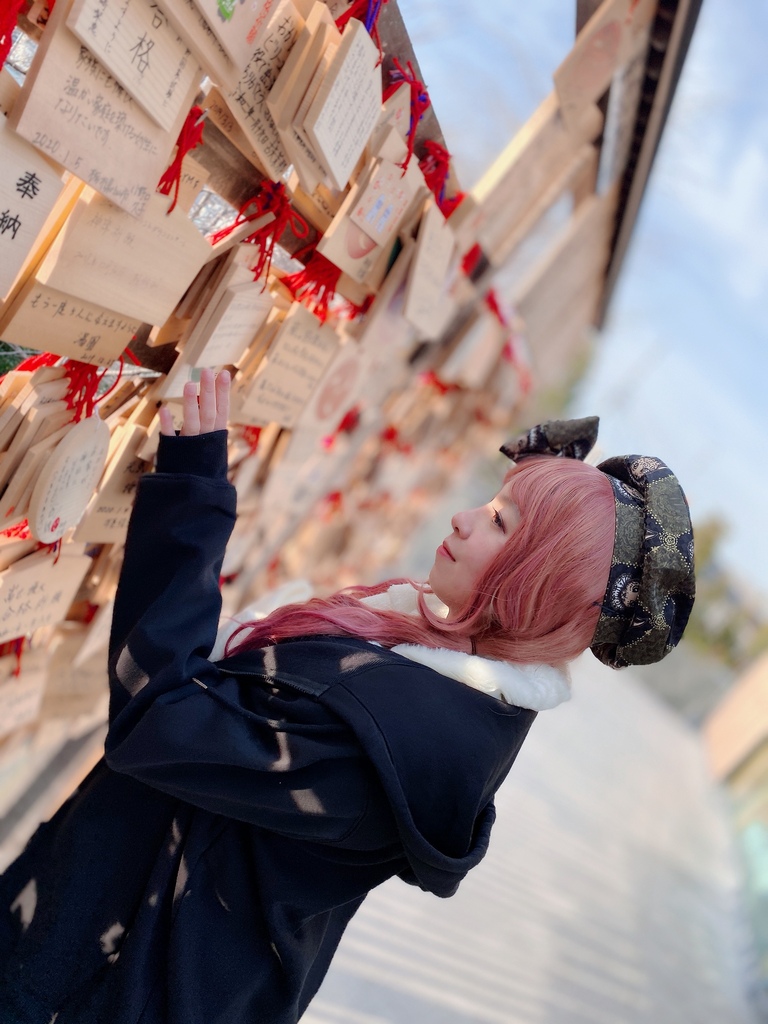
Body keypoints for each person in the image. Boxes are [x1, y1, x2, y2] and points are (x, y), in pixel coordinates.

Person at [0, 369, 695, 1023]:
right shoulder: (422, 668)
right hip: (90, 925)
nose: (460, 520)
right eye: (489, 503)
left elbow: (159, 719)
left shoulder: (397, 744)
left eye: (501, 523)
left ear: (540, 585)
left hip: (111, 984)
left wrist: (191, 492)